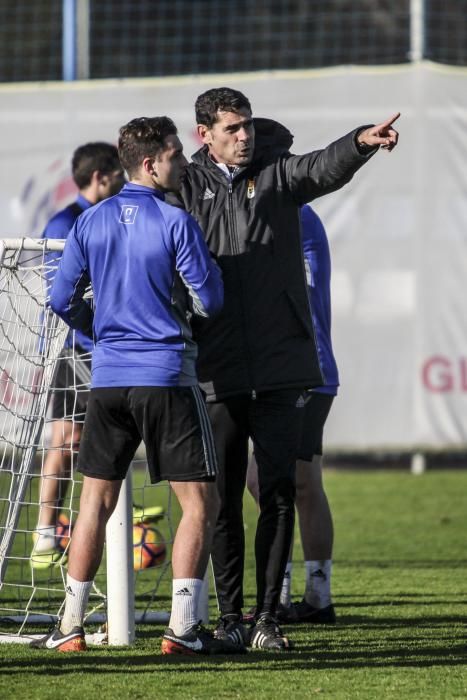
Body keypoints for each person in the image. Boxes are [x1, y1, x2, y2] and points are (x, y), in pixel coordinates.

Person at [167, 87, 399, 650]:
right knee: (219, 500)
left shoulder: (276, 174)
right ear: (205, 134)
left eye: (247, 125)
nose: (244, 135)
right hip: (216, 368)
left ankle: (267, 620)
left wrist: (359, 144)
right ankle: (228, 619)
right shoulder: (184, 188)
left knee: (276, 493)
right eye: (232, 128)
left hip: (280, 364)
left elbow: (319, 168)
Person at [30, 116, 242, 656]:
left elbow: (59, 300)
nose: (180, 162)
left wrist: (98, 327)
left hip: (107, 380)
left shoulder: (90, 221)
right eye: (174, 153)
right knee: (200, 504)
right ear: (151, 163)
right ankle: (184, 630)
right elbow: (210, 300)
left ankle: (70, 627)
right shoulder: (176, 222)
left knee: (93, 503)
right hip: (167, 377)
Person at [31, 142, 125, 569]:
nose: (125, 183)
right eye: (119, 176)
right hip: (71, 351)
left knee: (106, 438)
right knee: (65, 442)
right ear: (101, 177)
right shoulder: (65, 222)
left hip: (100, 349)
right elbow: (62, 293)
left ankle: (111, 515)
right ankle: (45, 531)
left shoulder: (105, 217)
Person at [246, 204, 338, 624]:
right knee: (301, 483)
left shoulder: (290, 215)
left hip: (303, 370)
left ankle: (283, 596)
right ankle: (315, 597)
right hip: (296, 369)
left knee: (280, 482)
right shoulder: (291, 214)